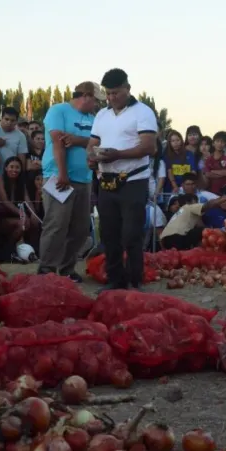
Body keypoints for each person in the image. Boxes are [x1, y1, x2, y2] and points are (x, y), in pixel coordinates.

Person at [87, 69, 158, 290]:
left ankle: (134, 280)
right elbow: (93, 142)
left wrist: (118, 154)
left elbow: (149, 146)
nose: (111, 98)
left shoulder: (143, 112)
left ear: (127, 89)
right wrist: (90, 157)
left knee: (131, 234)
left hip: (133, 180)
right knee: (109, 233)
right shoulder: (102, 115)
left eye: (115, 93)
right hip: (106, 179)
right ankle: (115, 280)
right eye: (108, 94)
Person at [40, 82, 100, 281]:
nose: (97, 105)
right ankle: (46, 269)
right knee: (57, 224)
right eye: (96, 100)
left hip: (84, 178)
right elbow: (58, 141)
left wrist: (77, 140)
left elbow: (97, 143)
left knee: (80, 228)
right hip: (59, 177)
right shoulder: (58, 111)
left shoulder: (93, 118)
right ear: (85, 96)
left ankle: (67, 268)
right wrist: (62, 173)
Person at [159, 194, 226, 249]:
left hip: (165, 241)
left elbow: (200, 224)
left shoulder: (181, 212)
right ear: (190, 202)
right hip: (177, 239)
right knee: (202, 232)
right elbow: (207, 205)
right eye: (196, 202)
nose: (198, 204)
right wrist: (221, 200)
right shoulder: (189, 207)